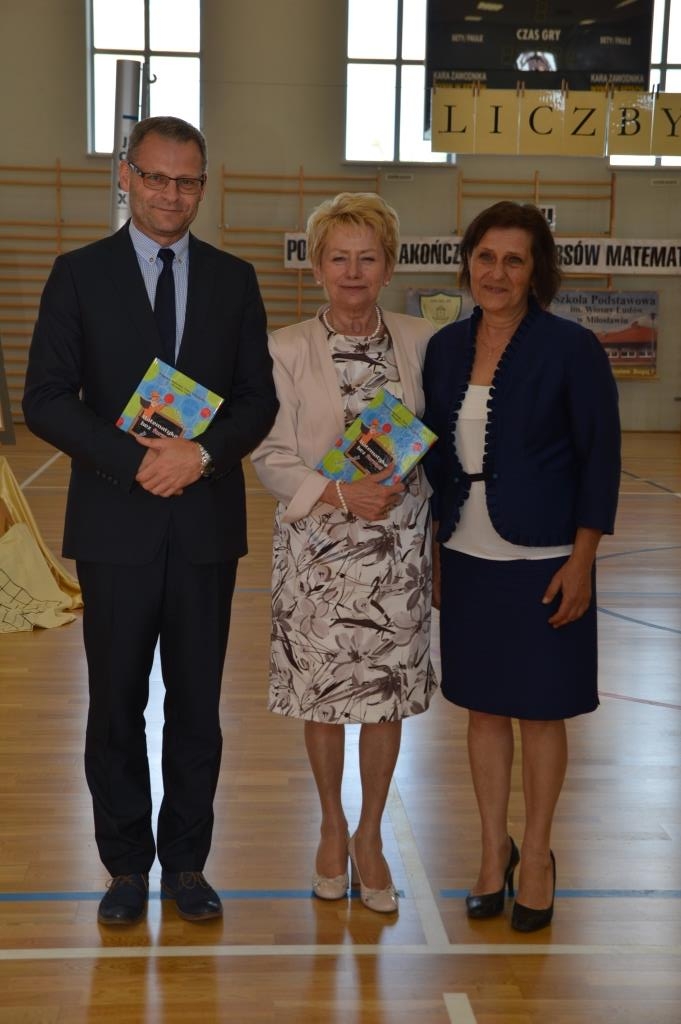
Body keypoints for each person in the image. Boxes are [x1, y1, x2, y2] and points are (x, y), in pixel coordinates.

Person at [22, 115, 278, 925]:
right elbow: (45, 399)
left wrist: (199, 455)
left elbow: (257, 401)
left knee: (197, 707)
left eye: (187, 180)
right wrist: (135, 460)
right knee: (115, 706)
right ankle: (126, 868)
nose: (172, 194)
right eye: (157, 177)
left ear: (203, 186)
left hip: (204, 527)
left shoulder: (234, 280)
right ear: (125, 176)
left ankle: (188, 866)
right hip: (115, 525)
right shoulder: (77, 275)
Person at [422, 201, 620, 932]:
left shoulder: (572, 348)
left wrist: (583, 559)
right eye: (485, 257)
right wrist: (434, 548)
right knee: (483, 709)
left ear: (537, 271)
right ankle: (490, 850)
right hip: (466, 557)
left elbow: (600, 459)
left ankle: (535, 855)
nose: (496, 272)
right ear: (467, 263)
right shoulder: (444, 348)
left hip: (545, 560)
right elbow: (434, 455)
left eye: (514, 259)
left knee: (540, 713)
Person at [251, 192, 438, 914]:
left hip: (398, 550)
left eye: (367, 258)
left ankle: (370, 835)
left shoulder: (423, 340)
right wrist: (338, 494)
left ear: (388, 267)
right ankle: (331, 824)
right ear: (317, 267)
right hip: (318, 551)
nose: (353, 272)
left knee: (386, 699)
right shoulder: (285, 348)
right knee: (324, 699)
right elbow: (269, 455)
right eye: (339, 258)